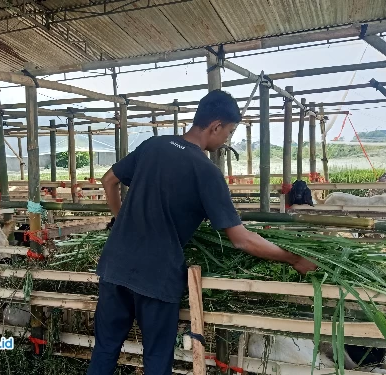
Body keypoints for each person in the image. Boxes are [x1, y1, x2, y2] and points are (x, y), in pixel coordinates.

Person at [87, 89, 317, 375]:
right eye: (229, 132)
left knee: (106, 348)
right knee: (156, 361)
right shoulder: (206, 172)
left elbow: (109, 180)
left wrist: (122, 220)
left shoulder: (153, 146)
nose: (226, 141)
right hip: (156, 276)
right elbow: (241, 239)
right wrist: (294, 259)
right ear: (215, 126)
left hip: (115, 265)